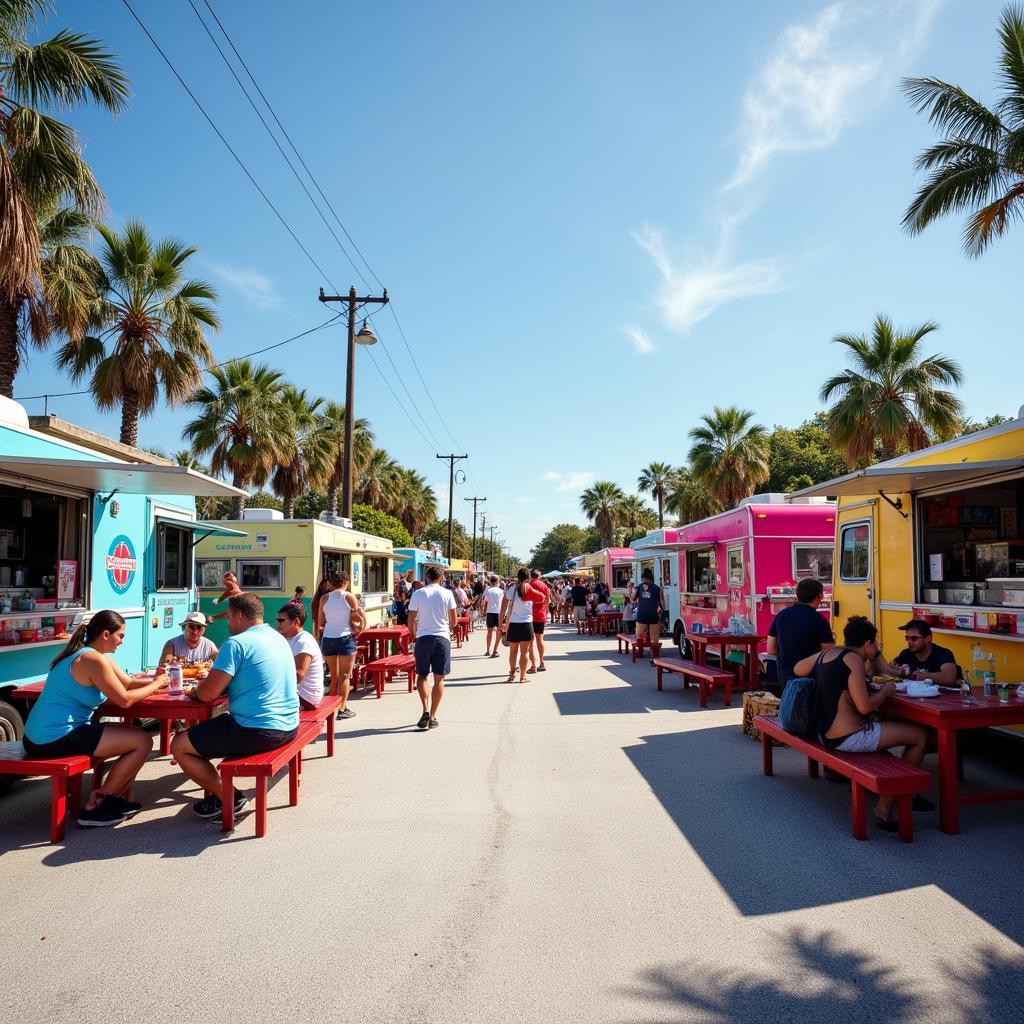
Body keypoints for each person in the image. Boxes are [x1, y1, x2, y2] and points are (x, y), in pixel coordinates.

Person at [23, 610, 168, 827]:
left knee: (135, 738)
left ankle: (114, 800)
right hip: (55, 738)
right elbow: (125, 700)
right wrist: (156, 685)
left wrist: (161, 681)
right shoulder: (92, 660)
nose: (122, 642)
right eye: (121, 636)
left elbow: (127, 682)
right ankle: (97, 806)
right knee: (142, 741)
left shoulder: (90, 655)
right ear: (106, 634)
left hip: (38, 736)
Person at [793, 616, 930, 832]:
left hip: (824, 733)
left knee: (886, 728)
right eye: (874, 644)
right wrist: (886, 692)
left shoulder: (831, 652)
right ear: (868, 643)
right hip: (848, 737)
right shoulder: (853, 660)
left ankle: (891, 785)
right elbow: (865, 707)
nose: (875, 648)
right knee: (919, 736)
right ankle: (885, 807)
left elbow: (798, 669)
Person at [171, 592, 299, 820]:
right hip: (289, 726)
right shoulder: (277, 636)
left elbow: (208, 694)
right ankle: (219, 793)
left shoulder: (237, 643)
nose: (227, 623)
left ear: (239, 615)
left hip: (258, 729)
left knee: (180, 744)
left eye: (228, 617)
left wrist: (195, 690)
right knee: (209, 731)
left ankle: (229, 797)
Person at [407, 564, 457, 729]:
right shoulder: (447, 593)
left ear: (427, 577)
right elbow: (454, 620)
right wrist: (448, 629)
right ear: (441, 577)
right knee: (439, 678)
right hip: (442, 638)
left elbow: (411, 618)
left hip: (423, 638)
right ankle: (433, 716)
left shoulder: (418, 593)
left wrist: (413, 633)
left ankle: (425, 709)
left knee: (421, 676)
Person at [765, 578, 835, 694]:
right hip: (811, 675)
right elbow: (829, 652)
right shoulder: (819, 620)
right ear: (819, 596)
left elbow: (770, 649)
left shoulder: (781, 615)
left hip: (785, 674)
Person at [316, 570, 364, 720]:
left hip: (328, 638)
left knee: (334, 677)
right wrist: (359, 627)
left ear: (330, 583)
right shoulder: (349, 597)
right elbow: (357, 618)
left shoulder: (324, 598)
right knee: (345, 676)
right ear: (346, 582)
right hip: (345, 638)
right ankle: (342, 708)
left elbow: (320, 621)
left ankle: (330, 710)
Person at [276, 602, 325, 710]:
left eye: (281, 621)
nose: (277, 624)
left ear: (296, 621)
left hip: (306, 697)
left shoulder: (303, 641)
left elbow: (298, 675)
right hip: (297, 693)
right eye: (277, 620)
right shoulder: (289, 639)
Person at [500, 568, 546, 682]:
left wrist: (500, 622)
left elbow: (504, 605)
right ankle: (522, 676)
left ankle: (511, 675)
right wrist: (533, 603)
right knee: (524, 652)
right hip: (526, 623)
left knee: (512, 652)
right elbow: (542, 598)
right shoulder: (529, 588)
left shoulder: (512, 589)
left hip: (514, 624)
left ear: (518, 577)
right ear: (528, 578)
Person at [888, 619, 959, 685]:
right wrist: (898, 671)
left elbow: (949, 678)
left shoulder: (943, 654)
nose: (909, 642)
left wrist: (922, 676)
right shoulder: (906, 654)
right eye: (907, 638)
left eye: (914, 638)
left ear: (928, 638)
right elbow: (889, 671)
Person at [634, 568, 665, 651]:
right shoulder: (658, 588)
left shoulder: (638, 587)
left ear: (642, 577)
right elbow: (663, 604)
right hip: (653, 615)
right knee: (654, 638)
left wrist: (629, 590)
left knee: (639, 635)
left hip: (642, 614)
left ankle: (639, 652)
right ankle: (654, 654)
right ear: (651, 577)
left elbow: (633, 598)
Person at [529, 568, 551, 672]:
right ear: (539, 576)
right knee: (540, 639)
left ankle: (533, 665)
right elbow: (548, 600)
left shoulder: (528, 584)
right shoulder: (544, 586)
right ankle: (542, 663)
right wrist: (544, 611)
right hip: (540, 615)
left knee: (529, 641)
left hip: (529, 615)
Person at [482, 574, 505, 658]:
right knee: (498, 632)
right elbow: (503, 603)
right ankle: (495, 650)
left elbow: (485, 602)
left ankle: (488, 650)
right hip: (498, 613)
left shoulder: (488, 591)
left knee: (489, 632)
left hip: (490, 612)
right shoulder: (501, 591)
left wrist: (484, 611)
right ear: (497, 582)